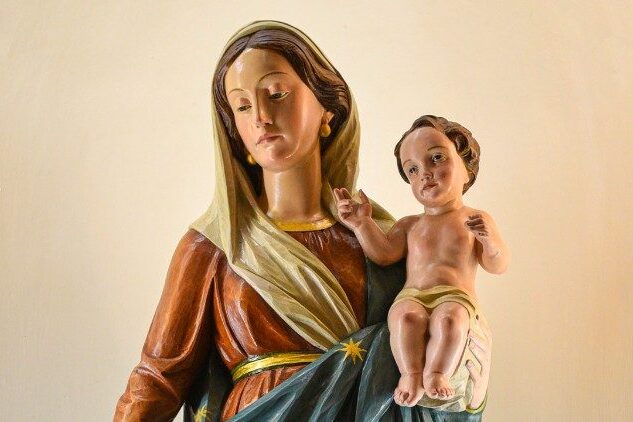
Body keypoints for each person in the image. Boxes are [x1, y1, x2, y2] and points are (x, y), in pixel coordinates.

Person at [114, 22, 492, 422]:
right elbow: (158, 379)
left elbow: (436, 353)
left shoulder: (385, 241)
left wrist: (471, 367)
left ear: (327, 108)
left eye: (276, 94)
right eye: (242, 106)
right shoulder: (213, 246)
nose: (261, 117)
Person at [334, 115, 508, 412]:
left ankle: (437, 373)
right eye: (412, 169)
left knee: (450, 320)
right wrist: (362, 224)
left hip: (456, 296)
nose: (425, 173)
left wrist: (489, 240)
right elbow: (384, 254)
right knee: (404, 319)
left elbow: (497, 265)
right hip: (413, 295)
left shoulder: (474, 219)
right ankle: (411, 375)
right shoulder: (410, 224)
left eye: (436, 158)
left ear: (467, 169)